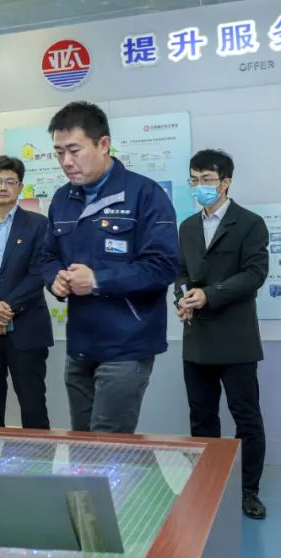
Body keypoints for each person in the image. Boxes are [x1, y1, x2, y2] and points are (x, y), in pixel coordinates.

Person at [39, 101, 178, 434]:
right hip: (80, 345)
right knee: (83, 441)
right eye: (59, 152)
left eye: (74, 150)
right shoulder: (62, 199)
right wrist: (54, 279)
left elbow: (163, 266)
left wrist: (98, 280)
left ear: (103, 144)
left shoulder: (144, 194)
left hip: (126, 345)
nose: (66, 161)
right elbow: (47, 256)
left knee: (108, 443)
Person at [175, 149, 269, 520]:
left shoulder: (250, 224)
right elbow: (181, 274)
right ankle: (209, 485)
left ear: (225, 182)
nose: (199, 186)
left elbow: (254, 275)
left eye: (207, 180)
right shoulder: (187, 227)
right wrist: (182, 298)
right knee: (202, 418)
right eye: (194, 180)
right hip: (197, 337)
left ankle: (248, 490)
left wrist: (209, 295)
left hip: (236, 338)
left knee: (246, 418)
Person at [0, 156, 52, 429]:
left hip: (27, 328)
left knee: (33, 407)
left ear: (20, 187)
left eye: (10, 181)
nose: (3, 187)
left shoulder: (38, 224)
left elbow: (39, 272)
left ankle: (40, 458)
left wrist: (4, 309)